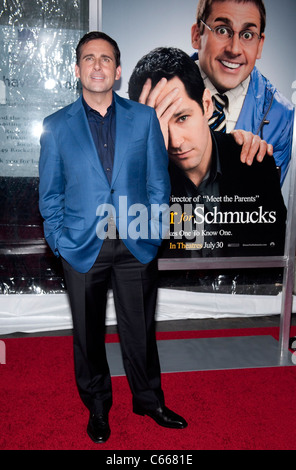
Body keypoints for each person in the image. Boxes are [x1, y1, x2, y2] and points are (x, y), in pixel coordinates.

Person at [39, 32, 187, 445]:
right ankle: (98, 405)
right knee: (87, 335)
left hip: (137, 242)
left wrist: (156, 230)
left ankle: (148, 400)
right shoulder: (55, 126)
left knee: (139, 329)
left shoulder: (143, 119)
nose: (98, 65)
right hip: (81, 246)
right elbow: (49, 194)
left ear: (118, 71)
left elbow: (159, 181)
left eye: (106, 59)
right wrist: (59, 240)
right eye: (89, 58)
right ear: (77, 69)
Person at [128, 47, 287, 258]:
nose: (175, 141)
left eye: (182, 118)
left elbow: (276, 257)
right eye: (158, 127)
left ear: (206, 104)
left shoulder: (254, 162)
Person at [190, 0, 294, 186]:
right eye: (222, 30)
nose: (234, 49)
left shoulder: (282, 117)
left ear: (260, 45)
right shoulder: (156, 93)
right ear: (197, 35)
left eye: (247, 35)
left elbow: (266, 205)